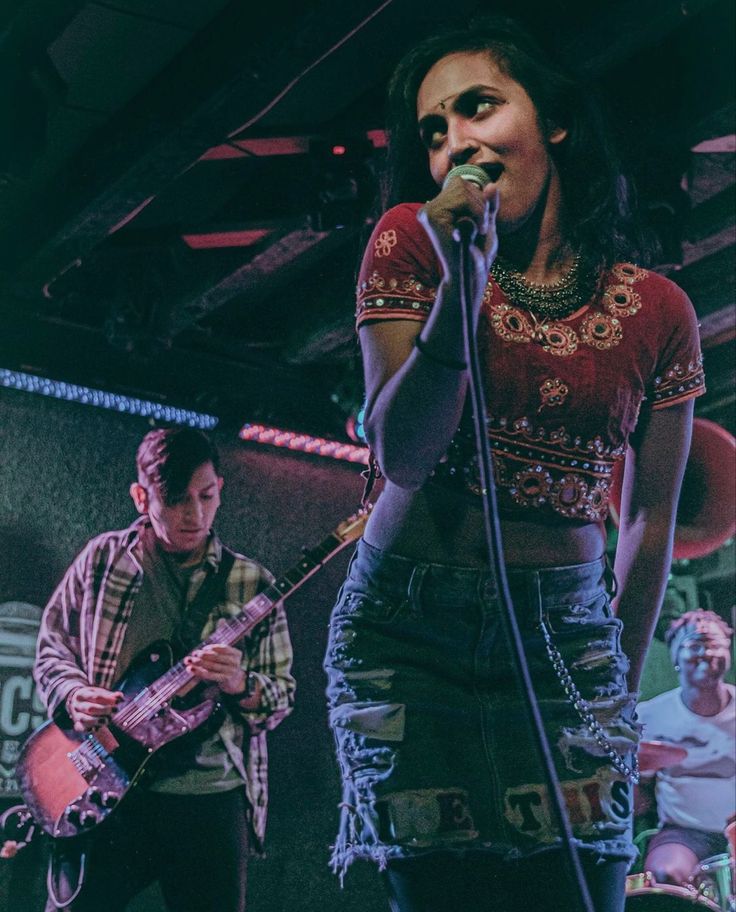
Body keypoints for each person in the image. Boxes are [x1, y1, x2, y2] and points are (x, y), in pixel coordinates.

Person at [323, 15, 704, 912]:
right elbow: (405, 454)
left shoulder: (661, 311)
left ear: (554, 124)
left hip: (568, 638)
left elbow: (649, 523)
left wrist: (611, 670)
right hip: (410, 632)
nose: (456, 141)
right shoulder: (411, 241)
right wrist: (464, 280)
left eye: (477, 107)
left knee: (582, 891)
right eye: (433, 131)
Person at [33, 427, 295, 912]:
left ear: (221, 488)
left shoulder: (252, 582)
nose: (194, 514)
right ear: (141, 496)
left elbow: (279, 701)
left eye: (207, 495)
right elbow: (51, 649)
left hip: (209, 800)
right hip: (105, 788)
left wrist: (240, 683)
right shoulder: (102, 559)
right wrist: (73, 695)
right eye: (175, 499)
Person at [637, 610, 735, 886]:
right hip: (684, 831)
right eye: (695, 645)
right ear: (675, 656)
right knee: (665, 875)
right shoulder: (650, 715)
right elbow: (639, 792)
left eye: (715, 644)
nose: (707, 652)